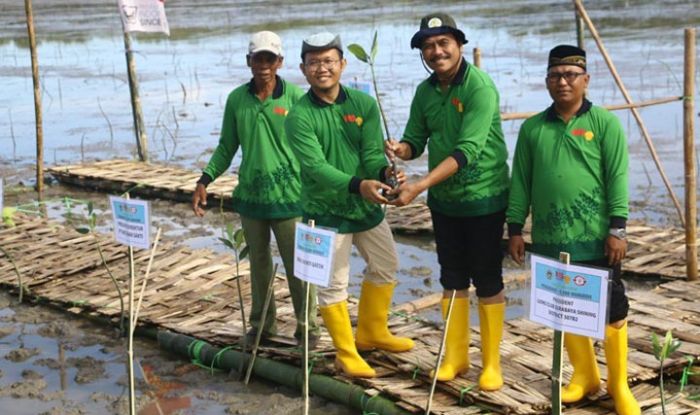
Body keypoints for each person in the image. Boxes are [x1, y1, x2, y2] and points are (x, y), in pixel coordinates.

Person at [507, 45, 640, 414]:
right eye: (555, 76)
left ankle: (618, 386)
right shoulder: (533, 128)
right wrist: (515, 227)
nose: (562, 82)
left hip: (595, 237)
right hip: (551, 239)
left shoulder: (604, 124)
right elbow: (521, 181)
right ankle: (584, 376)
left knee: (612, 310)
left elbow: (617, 178)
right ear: (547, 81)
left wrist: (618, 229)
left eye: (570, 75)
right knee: (565, 309)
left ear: (585, 80)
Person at [386, 13, 509, 390]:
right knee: (451, 277)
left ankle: (491, 364)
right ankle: (456, 356)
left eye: (443, 43)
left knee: (487, 279)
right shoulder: (425, 92)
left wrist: (419, 185)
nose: (436, 51)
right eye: (428, 46)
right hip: (445, 202)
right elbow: (415, 140)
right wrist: (399, 150)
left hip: (484, 199)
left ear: (459, 44)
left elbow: (468, 150)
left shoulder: (479, 87)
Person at [285, 32, 414, 378]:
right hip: (325, 212)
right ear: (303, 69)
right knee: (333, 284)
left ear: (343, 64)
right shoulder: (298, 116)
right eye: (314, 63)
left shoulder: (364, 104)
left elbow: (371, 153)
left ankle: (372, 332)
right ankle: (345, 353)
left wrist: (385, 172)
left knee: (386, 264)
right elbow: (314, 168)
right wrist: (359, 184)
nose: (322, 68)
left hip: (365, 208)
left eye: (329, 61)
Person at [192, 31, 320, 347]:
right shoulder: (237, 99)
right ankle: (263, 326)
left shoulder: (296, 99)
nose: (263, 65)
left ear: (279, 62)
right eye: (257, 58)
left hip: (290, 198)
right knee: (258, 266)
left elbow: (314, 147)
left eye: (269, 59)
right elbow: (227, 146)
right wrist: (205, 180)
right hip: (250, 198)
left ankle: (308, 328)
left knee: (299, 268)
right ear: (249, 62)